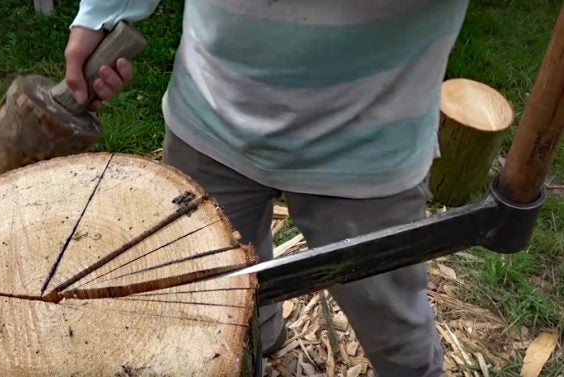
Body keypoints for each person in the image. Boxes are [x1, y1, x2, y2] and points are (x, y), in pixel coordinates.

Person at [63, 1, 469, 376]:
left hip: (366, 148)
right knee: (215, 300)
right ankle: (264, 331)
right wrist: (103, 11)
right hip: (210, 113)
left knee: (393, 328)